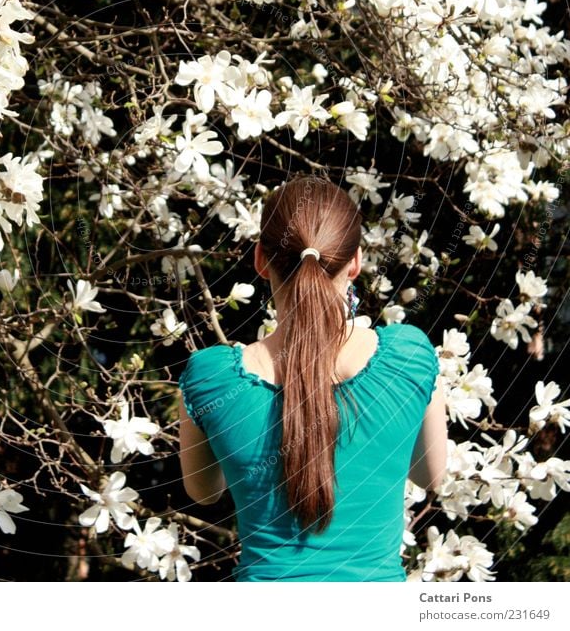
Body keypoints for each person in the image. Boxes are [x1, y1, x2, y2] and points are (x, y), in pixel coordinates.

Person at [178, 174, 448, 581]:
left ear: (260, 260)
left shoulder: (210, 378)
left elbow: (204, 491)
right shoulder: (409, 357)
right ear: (355, 262)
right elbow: (431, 475)